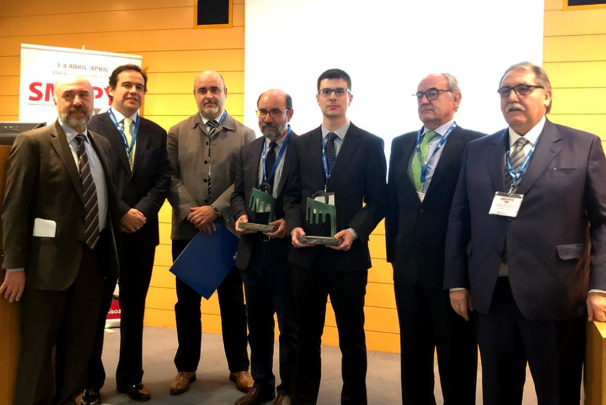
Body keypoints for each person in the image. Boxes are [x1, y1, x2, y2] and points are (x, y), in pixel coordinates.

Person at [444, 61, 606, 405]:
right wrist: (457, 281)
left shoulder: (583, 145)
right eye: (505, 91)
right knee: (498, 393)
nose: (512, 97)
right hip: (492, 296)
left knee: (557, 394)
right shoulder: (478, 150)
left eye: (523, 89)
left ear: (546, 96)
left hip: (556, 294)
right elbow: (460, 218)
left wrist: (599, 286)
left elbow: (603, 221)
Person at [0, 76, 120, 404]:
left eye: (84, 95)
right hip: (45, 268)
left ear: (95, 100)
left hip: (93, 265)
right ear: (56, 100)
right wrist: (14, 265)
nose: (77, 102)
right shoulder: (33, 142)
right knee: (37, 352)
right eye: (69, 95)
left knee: (78, 349)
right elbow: (14, 208)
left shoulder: (102, 144)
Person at [284, 69, 386, 405]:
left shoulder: (371, 144)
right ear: (317, 98)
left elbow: (378, 200)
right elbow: (292, 195)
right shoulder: (300, 143)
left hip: (348, 257)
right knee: (304, 337)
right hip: (306, 257)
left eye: (339, 91)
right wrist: (294, 225)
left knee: (351, 338)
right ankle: (303, 399)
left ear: (350, 97)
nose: (332, 97)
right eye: (326, 91)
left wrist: (355, 230)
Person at [385, 73, 483, 405]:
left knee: (457, 356)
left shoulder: (477, 144)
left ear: (456, 98)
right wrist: (395, 256)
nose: (425, 100)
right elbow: (395, 205)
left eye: (433, 93)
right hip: (408, 269)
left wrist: (468, 271)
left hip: (452, 274)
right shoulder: (400, 144)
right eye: (420, 95)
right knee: (413, 354)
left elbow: (477, 212)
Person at [80, 64, 171, 404]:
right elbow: (89, 177)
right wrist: (120, 212)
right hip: (103, 231)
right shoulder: (91, 127)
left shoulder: (156, 133)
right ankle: (90, 381)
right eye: (127, 85)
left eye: (139, 86)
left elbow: (163, 180)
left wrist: (140, 213)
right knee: (96, 309)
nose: (133, 91)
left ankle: (131, 378)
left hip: (142, 232)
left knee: (135, 308)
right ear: (111, 90)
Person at [166, 70, 254, 395]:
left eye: (214, 89)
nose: (209, 95)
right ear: (195, 94)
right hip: (187, 233)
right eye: (202, 90)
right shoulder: (176, 133)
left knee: (233, 304)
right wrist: (194, 212)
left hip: (228, 233)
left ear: (225, 92)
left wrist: (215, 210)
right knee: (186, 304)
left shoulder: (245, 134)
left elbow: (245, 181)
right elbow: (169, 179)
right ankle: (186, 367)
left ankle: (240, 368)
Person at [231, 89, 298, 405]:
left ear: (289, 114)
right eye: (262, 112)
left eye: (275, 111)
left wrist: (290, 220)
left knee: (290, 327)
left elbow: (306, 194)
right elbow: (237, 194)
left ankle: (288, 389)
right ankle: (262, 384)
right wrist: (240, 214)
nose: (268, 118)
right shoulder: (247, 151)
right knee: (257, 325)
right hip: (253, 251)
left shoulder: (303, 148)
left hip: (287, 255)